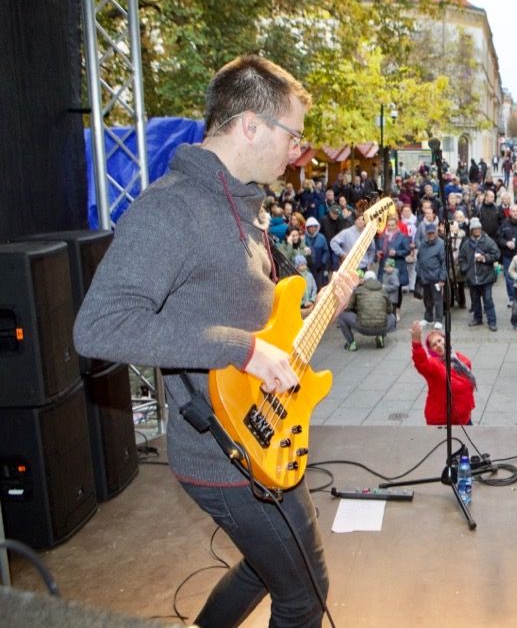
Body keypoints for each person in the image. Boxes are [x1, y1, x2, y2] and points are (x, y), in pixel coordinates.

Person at [73, 55, 358, 627]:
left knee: (266, 565)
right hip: (224, 451)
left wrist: (321, 307)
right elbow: (98, 326)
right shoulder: (171, 208)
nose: (298, 151)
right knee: (304, 594)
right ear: (250, 125)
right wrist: (243, 350)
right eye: (293, 135)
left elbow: (247, 314)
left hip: (262, 431)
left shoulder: (240, 203)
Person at [459, 217, 500, 331]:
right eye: (475, 229)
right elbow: (461, 258)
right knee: (475, 300)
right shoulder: (466, 244)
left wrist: (484, 258)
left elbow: (496, 254)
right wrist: (466, 268)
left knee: (488, 299)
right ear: (471, 230)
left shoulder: (488, 241)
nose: (477, 231)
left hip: (486, 276)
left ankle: (492, 321)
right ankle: (477, 318)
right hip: (472, 277)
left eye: (479, 229)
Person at [338, 270, 396, 350]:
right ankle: (380, 336)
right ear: (375, 279)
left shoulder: (359, 290)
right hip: (382, 328)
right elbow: (390, 309)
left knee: (342, 315)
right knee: (392, 316)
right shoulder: (383, 291)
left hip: (363, 328)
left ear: (364, 280)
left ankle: (351, 343)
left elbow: (349, 308)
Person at [415, 221, 447, 327]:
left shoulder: (441, 244)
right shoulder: (423, 244)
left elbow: (444, 263)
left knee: (437, 300)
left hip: (436, 277)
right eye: (429, 233)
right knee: (427, 299)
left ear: (436, 233)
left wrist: (442, 278)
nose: (431, 235)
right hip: (425, 277)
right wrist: (418, 271)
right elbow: (419, 258)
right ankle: (428, 318)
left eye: (433, 233)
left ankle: (438, 319)